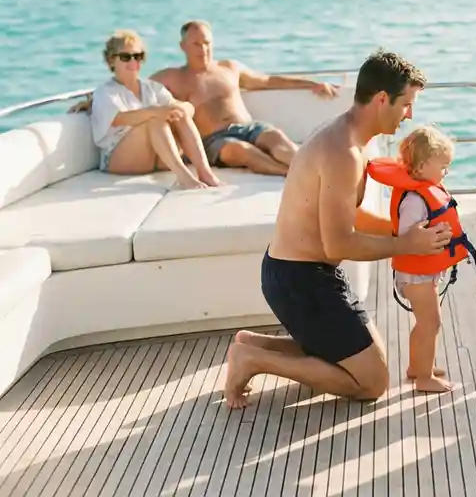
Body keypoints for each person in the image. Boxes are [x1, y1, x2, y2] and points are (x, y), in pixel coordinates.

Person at [222, 50, 453, 408]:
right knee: (373, 381)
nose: (410, 115)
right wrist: (408, 244)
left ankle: (253, 344)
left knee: (358, 357)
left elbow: (351, 216)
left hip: (301, 274)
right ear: (381, 99)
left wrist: (411, 232)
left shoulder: (356, 137)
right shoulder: (342, 152)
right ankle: (254, 360)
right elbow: (337, 244)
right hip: (299, 281)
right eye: (406, 104)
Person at [366, 126, 476, 394]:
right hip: (415, 273)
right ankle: (424, 378)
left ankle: (417, 367)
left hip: (420, 272)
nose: (446, 172)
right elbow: (409, 236)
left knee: (424, 321)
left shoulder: (422, 189)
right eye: (443, 166)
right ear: (425, 164)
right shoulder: (415, 199)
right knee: (431, 322)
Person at [150, 20, 339, 176]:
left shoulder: (229, 68)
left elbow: (267, 81)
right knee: (240, 151)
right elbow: (137, 89)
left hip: (250, 128)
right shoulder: (172, 77)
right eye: (196, 44)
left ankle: (317, 171)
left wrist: (312, 84)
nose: (203, 49)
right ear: (183, 46)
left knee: (277, 138)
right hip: (214, 141)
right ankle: (292, 174)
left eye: (207, 43)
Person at [89, 29, 220, 190]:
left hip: (153, 157)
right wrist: (155, 112)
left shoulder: (152, 88)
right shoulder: (106, 91)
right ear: (111, 61)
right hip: (119, 160)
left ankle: (205, 172)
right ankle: (184, 177)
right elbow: (120, 119)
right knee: (155, 120)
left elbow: (187, 108)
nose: (133, 62)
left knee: (177, 113)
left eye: (138, 57)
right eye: (125, 57)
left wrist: (181, 108)